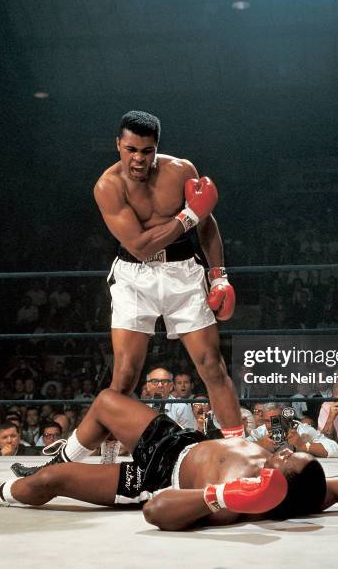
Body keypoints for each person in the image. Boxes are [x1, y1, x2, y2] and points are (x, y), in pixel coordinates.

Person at [0, 389, 338, 529]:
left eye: (282, 461)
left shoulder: (248, 501)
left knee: (51, 482)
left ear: (280, 486)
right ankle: (60, 449)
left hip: (156, 475)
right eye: (288, 454)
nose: (282, 451)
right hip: (178, 437)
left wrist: (220, 493)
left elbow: (156, 510)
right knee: (105, 401)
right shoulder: (313, 484)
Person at [92, 110, 241, 437]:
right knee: (125, 375)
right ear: (118, 144)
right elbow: (141, 247)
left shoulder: (181, 170)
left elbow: (207, 224)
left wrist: (219, 275)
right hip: (134, 277)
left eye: (147, 151)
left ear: (157, 147)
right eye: (131, 150)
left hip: (183, 272)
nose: (139, 159)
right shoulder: (108, 186)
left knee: (212, 366)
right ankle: (110, 456)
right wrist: (188, 215)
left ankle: (238, 449)